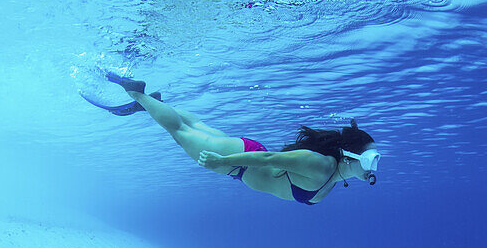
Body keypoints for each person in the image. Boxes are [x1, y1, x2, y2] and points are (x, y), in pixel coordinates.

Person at [91, 73, 379, 205]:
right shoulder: (320, 165)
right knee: (179, 133)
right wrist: (222, 161)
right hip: (239, 163)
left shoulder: (334, 176)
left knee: (193, 126)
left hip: (243, 160)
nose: (372, 168)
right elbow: (269, 159)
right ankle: (137, 94)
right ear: (351, 156)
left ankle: (153, 104)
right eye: (370, 159)